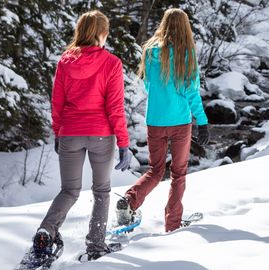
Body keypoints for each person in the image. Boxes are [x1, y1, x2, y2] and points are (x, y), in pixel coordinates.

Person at [31, 10, 132, 260]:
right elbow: (115, 107)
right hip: (101, 135)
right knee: (101, 191)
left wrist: (58, 133)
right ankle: (96, 245)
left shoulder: (66, 61)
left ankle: (47, 230)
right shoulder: (111, 63)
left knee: (69, 191)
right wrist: (124, 143)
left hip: (71, 133)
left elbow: (57, 103)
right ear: (101, 34)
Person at [116, 8, 209, 233]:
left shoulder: (149, 52)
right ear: (185, 27)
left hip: (155, 120)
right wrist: (203, 121)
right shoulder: (186, 53)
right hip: (179, 122)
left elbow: (149, 86)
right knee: (178, 173)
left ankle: (130, 200)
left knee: (155, 170)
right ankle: (173, 223)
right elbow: (191, 91)